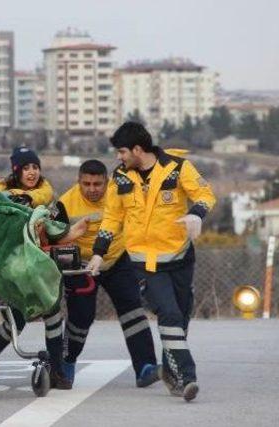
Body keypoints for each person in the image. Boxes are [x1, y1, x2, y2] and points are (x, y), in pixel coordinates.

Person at [87, 122, 216, 402]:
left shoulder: (178, 167)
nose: (119, 157)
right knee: (168, 314)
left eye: (122, 151)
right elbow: (112, 218)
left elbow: (205, 194)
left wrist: (197, 214)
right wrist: (99, 251)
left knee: (180, 318)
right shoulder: (120, 178)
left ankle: (170, 372)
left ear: (137, 149)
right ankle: (187, 376)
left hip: (180, 257)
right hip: (144, 261)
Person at [0, 146, 75, 389]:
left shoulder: (47, 195)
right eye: (26, 168)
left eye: (35, 167)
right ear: (15, 171)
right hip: (13, 266)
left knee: (52, 313)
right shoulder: (0, 195)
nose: (31, 172)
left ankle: (57, 370)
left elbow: (53, 216)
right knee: (18, 317)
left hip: (42, 265)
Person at [55, 159, 159, 387]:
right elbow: (54, 239)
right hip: (81, 265)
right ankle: (66, 364)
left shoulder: (120, 195)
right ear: (79, 182)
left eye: (98, 184)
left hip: (116, 260)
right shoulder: (65, 203)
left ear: (107, 182)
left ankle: (145, 367)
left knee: (133, 311)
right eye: (87, 184)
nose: (92, 189)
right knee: (81, 319)